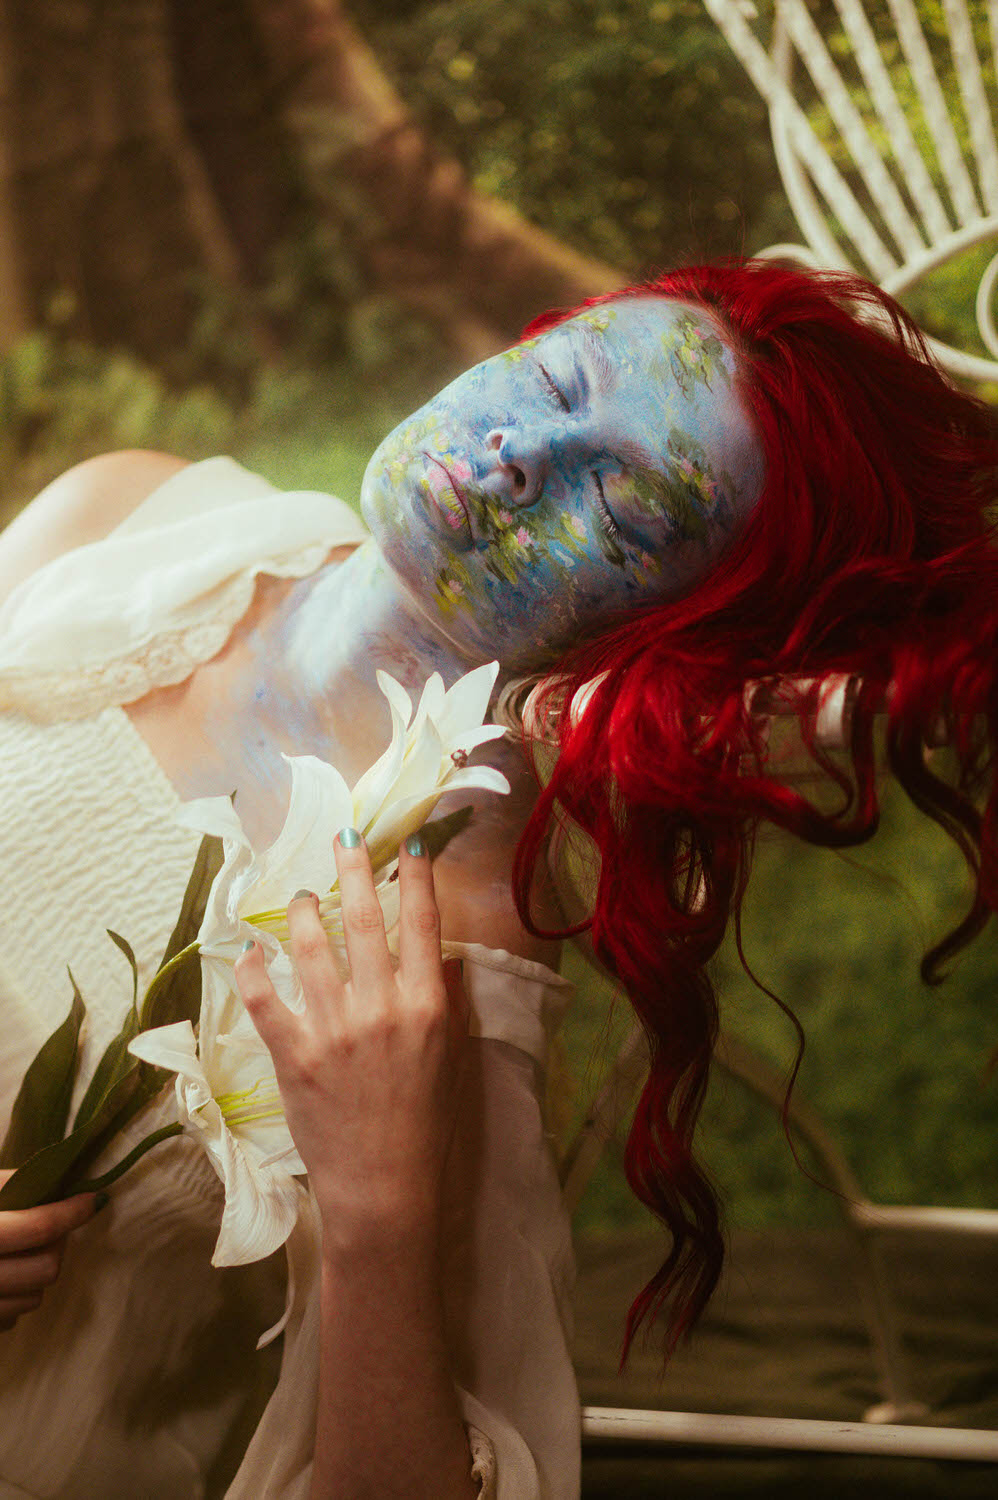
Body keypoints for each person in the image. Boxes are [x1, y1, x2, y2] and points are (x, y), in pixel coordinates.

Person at [0, 258, 995, 1498]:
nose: (521, 455)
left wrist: (376, 1214)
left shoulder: (441, 956)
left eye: (621, 510)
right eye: (557, 376)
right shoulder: (133, 520)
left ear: (658, 643)